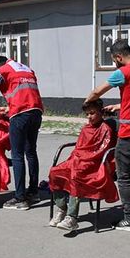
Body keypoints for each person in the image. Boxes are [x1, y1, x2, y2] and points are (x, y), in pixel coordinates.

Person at [85, 39, 130, 232]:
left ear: (118, 57)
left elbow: (96, 92)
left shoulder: (123, 72)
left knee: (123, 175)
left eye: (114, 60)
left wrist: (87, 103)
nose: (115, 63)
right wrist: (119, 106)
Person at [0, 56, 44, 211]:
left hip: (20, 116)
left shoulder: (1, 70)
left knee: (17, 155)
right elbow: (25, 95)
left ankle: (20, 198)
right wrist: (8, 108)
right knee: (31, 152)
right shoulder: (27, 70)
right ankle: (33, 192)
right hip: (36, 113)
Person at [47, 99, 118, 231]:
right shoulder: (86, 129)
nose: (89, 117)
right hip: (79, 161)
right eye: (87, 114)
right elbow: (79, 148)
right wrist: (77, 158)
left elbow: (101, 151)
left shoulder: (105, 129)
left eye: (92, 113)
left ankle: (72, 218)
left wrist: (82, 158)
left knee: (76, 174)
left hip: (95, 164)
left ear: (101, 112)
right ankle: (62, 208)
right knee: (55, 172)